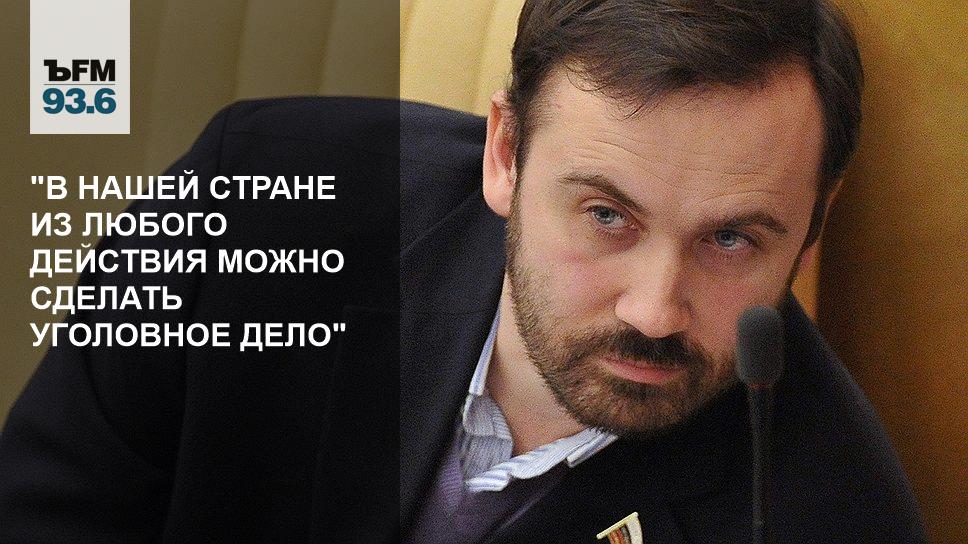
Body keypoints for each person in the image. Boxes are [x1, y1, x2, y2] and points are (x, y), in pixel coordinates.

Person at [0, 0, 926, 542]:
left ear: (814, 223)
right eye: (606, 215)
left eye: (731, 241)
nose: (654, 311)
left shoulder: (832, 517)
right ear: (507, 153)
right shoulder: (253, 198)